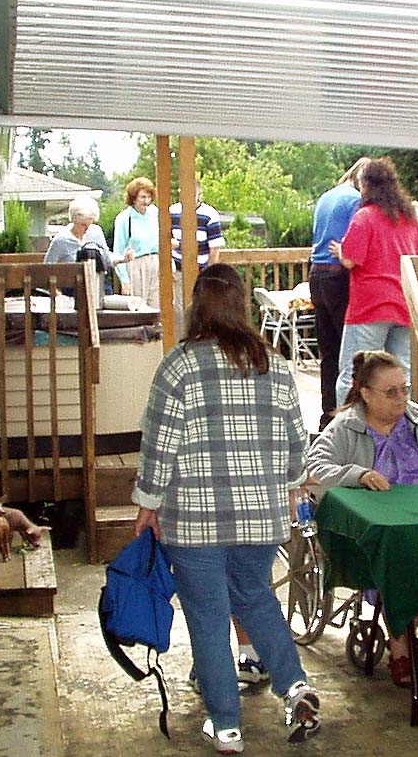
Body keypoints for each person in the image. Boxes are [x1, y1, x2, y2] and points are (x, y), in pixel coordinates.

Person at [132, 263, 320, 750]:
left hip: (193, 521)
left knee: (209, 615)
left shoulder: (179, 365)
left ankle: (226, 723)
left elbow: (159, 445)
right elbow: (297, 446)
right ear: (244, 305)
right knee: (255, 596)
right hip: (261, 517)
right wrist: (295, 482)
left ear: (197, 305)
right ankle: (294, 685)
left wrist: (147, 504)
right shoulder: (274, 365)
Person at [306, 350, 418, 686]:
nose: (401, 398)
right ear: (365, 393)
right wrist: (358, 475)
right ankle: (401, 645)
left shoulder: (417, 418)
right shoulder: (346, 427)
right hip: (377, 527)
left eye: (404, 389)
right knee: (396, 558)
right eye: (391, 392)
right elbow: (315, 469)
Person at [330, 157, 418, 407]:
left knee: (354, 373)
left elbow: (352, 260)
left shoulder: (364, 217)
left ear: (366, 186)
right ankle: (399, 432)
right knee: (400, 375)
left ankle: (349, 432)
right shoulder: (409, 219)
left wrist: (341, 252)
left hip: (370, 306)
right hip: (404, 304)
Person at [309, 157, 370, 430]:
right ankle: (349, 420)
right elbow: (357, 240)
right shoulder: (356, 200)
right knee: (349, 353)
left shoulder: (326, 197)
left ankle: (327, 416)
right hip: (338, 274)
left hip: (316, 273)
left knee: (329, 353)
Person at [170, 180, 225, 336]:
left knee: (201, 308)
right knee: (179, 311)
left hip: (201, 270)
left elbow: (214, 249)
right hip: (178, 270)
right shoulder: (172, 212)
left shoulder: (210, 214)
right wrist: (169, 266)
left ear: (199, 194)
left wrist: (210, 274)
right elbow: (164, 240)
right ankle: (181, 343)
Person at [44, 197, 132, 293]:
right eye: (83, 225)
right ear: (74, 220)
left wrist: (122, 259)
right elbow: (47, 267)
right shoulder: (61, 239)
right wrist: (56, 291)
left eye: (89, 224)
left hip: (97, 282)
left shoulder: (96, 231)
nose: (87, 228)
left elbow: (106, 257)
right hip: (73, 286)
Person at [112, 176, 160, 308]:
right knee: (139, 307)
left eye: (149, 197)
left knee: (157, 306)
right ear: (133, 198)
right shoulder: (124, 218)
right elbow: (118, 251)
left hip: (155, 262)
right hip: (136, 265)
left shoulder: (154, 213)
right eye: (142, 197)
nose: (146, 201)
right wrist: (125, 281)